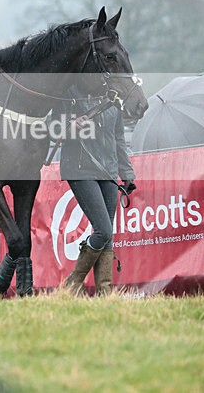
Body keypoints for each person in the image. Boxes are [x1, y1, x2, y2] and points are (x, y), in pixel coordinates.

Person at [61, 81, 136, 296]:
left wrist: (127, 173)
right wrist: (71, 128)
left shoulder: (113, 99)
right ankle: (72, 285)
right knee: (103, 230)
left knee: (107, 234)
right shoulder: (68, 93)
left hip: (109, 171)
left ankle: (104, 293)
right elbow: (51, 129)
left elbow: (119, 139)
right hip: (79, 169)